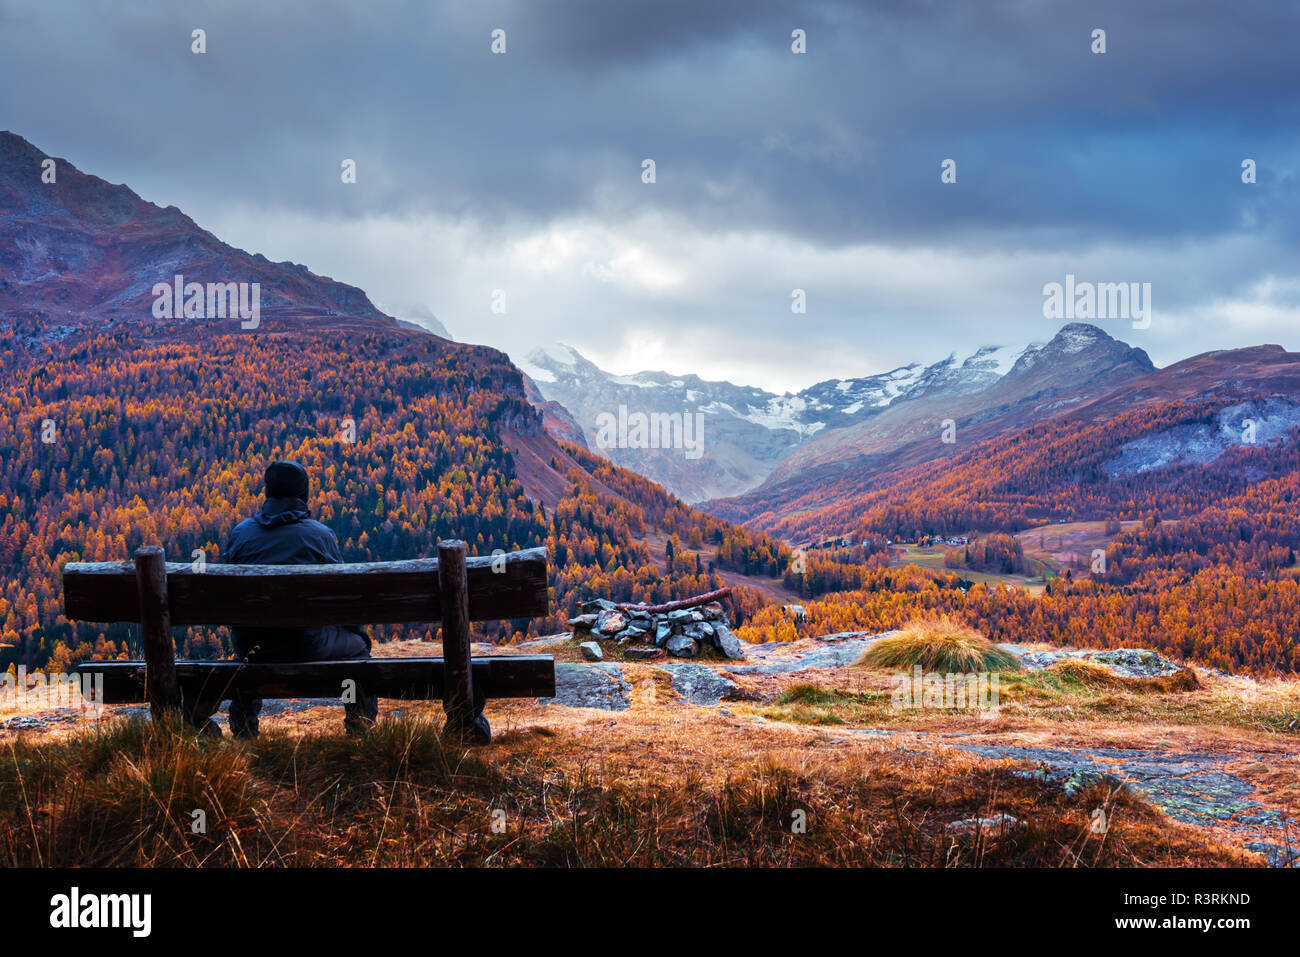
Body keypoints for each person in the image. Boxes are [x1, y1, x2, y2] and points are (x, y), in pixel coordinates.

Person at [221, 460, 378, 737]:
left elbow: (222, 596)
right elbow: (344, 599)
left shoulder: (241, 535)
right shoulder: (319, 537)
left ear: (268, 492)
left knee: (248, 651)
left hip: (252, 645)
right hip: (308, 645)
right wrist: (356, 635)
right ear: (303, 495)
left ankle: (244, 729)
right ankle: (360, 727)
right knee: (358, 650)